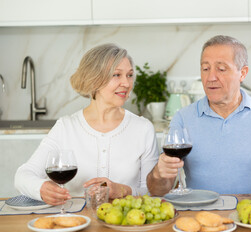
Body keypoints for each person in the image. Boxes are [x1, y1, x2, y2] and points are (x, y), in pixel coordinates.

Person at [147, 35, 251, 196]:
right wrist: (158, 174)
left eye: (221, 69)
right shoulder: (183, 118)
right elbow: (159, 191)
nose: (211, 77)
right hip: (200, 216)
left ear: (243, 73)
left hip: (250, 216)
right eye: (205, 69)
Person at [15, 43, 159, 206]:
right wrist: (41, 188)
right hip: (74, 221)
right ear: (95, 79)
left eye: (130, 75)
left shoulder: (143, 128)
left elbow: (151, 190)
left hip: (125, 225)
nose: (126, 83)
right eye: (117, 75)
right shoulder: (66, 127)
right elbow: (23, 176)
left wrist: (122, 190)